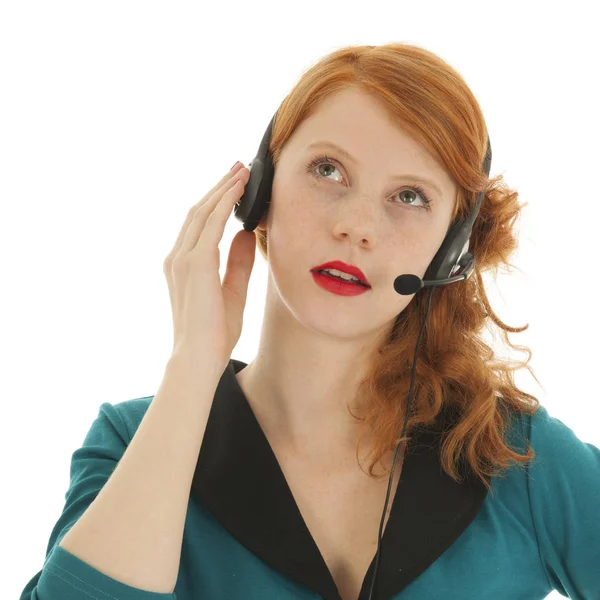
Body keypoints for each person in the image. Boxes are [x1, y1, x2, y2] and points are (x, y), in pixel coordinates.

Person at [20, 42, 600, 600]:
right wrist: (194, 366)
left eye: (411, 196)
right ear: (260, 189)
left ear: (450, 249)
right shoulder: (135, 443)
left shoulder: (516, 457)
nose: (357, 225)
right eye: (328, 170)